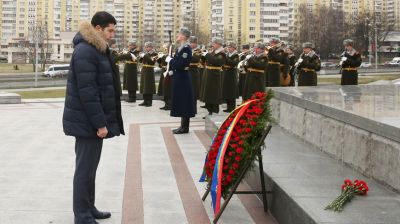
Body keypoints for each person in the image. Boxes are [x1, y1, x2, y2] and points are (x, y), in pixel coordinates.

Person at [62, 11, 124, 224]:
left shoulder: (96, 49)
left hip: (90, 122)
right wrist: (100, 123)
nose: (112, 34)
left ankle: (89, 207)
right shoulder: (85, 51)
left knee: (90, 169)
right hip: (87, 123)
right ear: (97, 29)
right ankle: (81, 215)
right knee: (84, 170)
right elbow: (88, 91)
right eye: (110, 30)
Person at [166, 28, 196, 134]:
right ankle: (182, 126)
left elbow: (180, 64)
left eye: (179, 34)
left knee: (184, 102)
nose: (177, 35)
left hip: (183, 79)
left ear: (184, 36)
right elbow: (178, 64)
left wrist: (171, 61)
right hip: (179, 77)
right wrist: (172, 71)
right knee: (182, 101)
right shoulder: (181, 48)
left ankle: (185, 127)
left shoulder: (186, 49)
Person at [201, 38, 226, 116]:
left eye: (214, 44)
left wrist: (207, 55)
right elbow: (207, 61)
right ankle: (209, 110)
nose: (212, 45)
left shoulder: (221, 53)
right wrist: (203, 56)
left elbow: (217, 62)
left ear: (219, 44)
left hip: (215, 75)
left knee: (214, 93)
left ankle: (214, 111)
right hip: (209, 74)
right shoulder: (213, 52)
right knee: (208, 92)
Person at [222, 41, 239, 112]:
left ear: (233, 48)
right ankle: (228, 107)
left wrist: (225, 57)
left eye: (230, 47)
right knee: (227, 90)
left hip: (232, 74)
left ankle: (232, 107)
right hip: (226, 73)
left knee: (231, 91)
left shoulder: (236, 55)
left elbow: (233, 63)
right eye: (228, 47)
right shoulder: (228, 54)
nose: (228, 48)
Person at [139, 42, 157, 106]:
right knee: (144, 86)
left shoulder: (154, 54)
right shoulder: (145, 54)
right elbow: (140, 61)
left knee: (149, 86)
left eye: (148, 47)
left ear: (151, 47)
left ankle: (149, 101)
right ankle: (145, 100)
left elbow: (152, 62)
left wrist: (145, 56)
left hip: (149, 71)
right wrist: (141, 57)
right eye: (146, 47)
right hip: (144, 70)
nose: (146, 48)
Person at [189, 36, 201, 102]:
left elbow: (195, 59)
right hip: (188, 71)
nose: (192, 44)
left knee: (194, 89)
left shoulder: (198, 50)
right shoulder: (189, 50)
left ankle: (193, 106)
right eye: (191, 43)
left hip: (194, 71)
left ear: (196, 43)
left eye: (193, 43)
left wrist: (188, 56)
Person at [156, 44, 169, 109]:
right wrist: (159, 60)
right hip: (163, 71)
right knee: (163, 87)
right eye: (165, 49)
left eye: (166, 48)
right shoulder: (164, 55)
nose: (165, 50)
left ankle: (169, 104)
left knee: (167, 88)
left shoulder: (171, 55)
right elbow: (161, 64)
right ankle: (166, 103)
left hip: (168, 72)